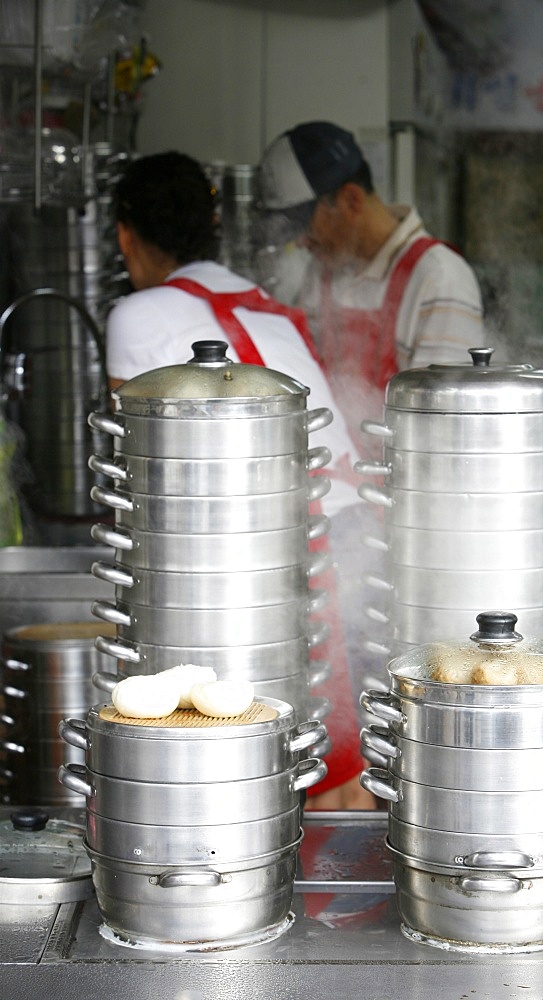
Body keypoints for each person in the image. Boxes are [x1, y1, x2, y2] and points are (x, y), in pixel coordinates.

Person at [106, 150, 376, 810]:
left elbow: (135, 481)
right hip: (349, 540)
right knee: (330, 771)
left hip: (273, 553)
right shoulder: (270, 310)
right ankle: (337, 905)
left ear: (124, 236)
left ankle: (303, 908)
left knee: (263, 770)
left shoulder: (134, 316)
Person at [258, 120, 484, 450]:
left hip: (399, 490)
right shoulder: (321, 272)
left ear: (351, 200)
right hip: (332, 482)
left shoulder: (439, 278)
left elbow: (440, 427)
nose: (302, 243)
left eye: (304, 226)